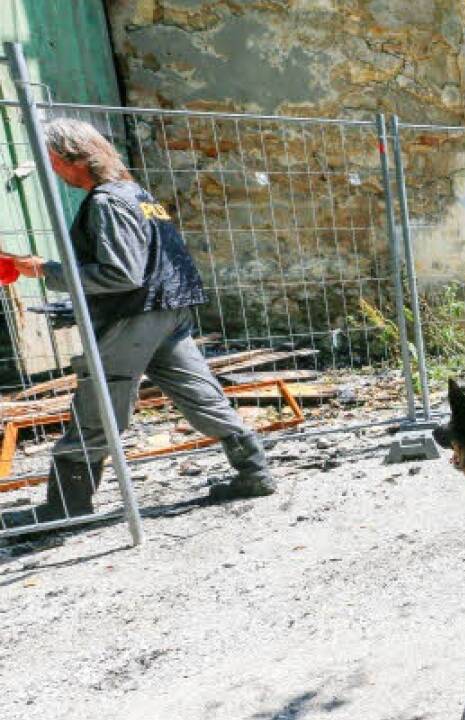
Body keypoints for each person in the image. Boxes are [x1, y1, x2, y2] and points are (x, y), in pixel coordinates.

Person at [1, 118, 274, 531]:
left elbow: (122, 274)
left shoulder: (107, 202)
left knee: (99, 404)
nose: (52, 170)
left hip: (134, 316)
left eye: (52, 161)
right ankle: (254, 470)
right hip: (170, 309)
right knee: (199, 392)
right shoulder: (139, 194)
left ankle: (67, 507)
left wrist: (46, 270)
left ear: (66, 157)